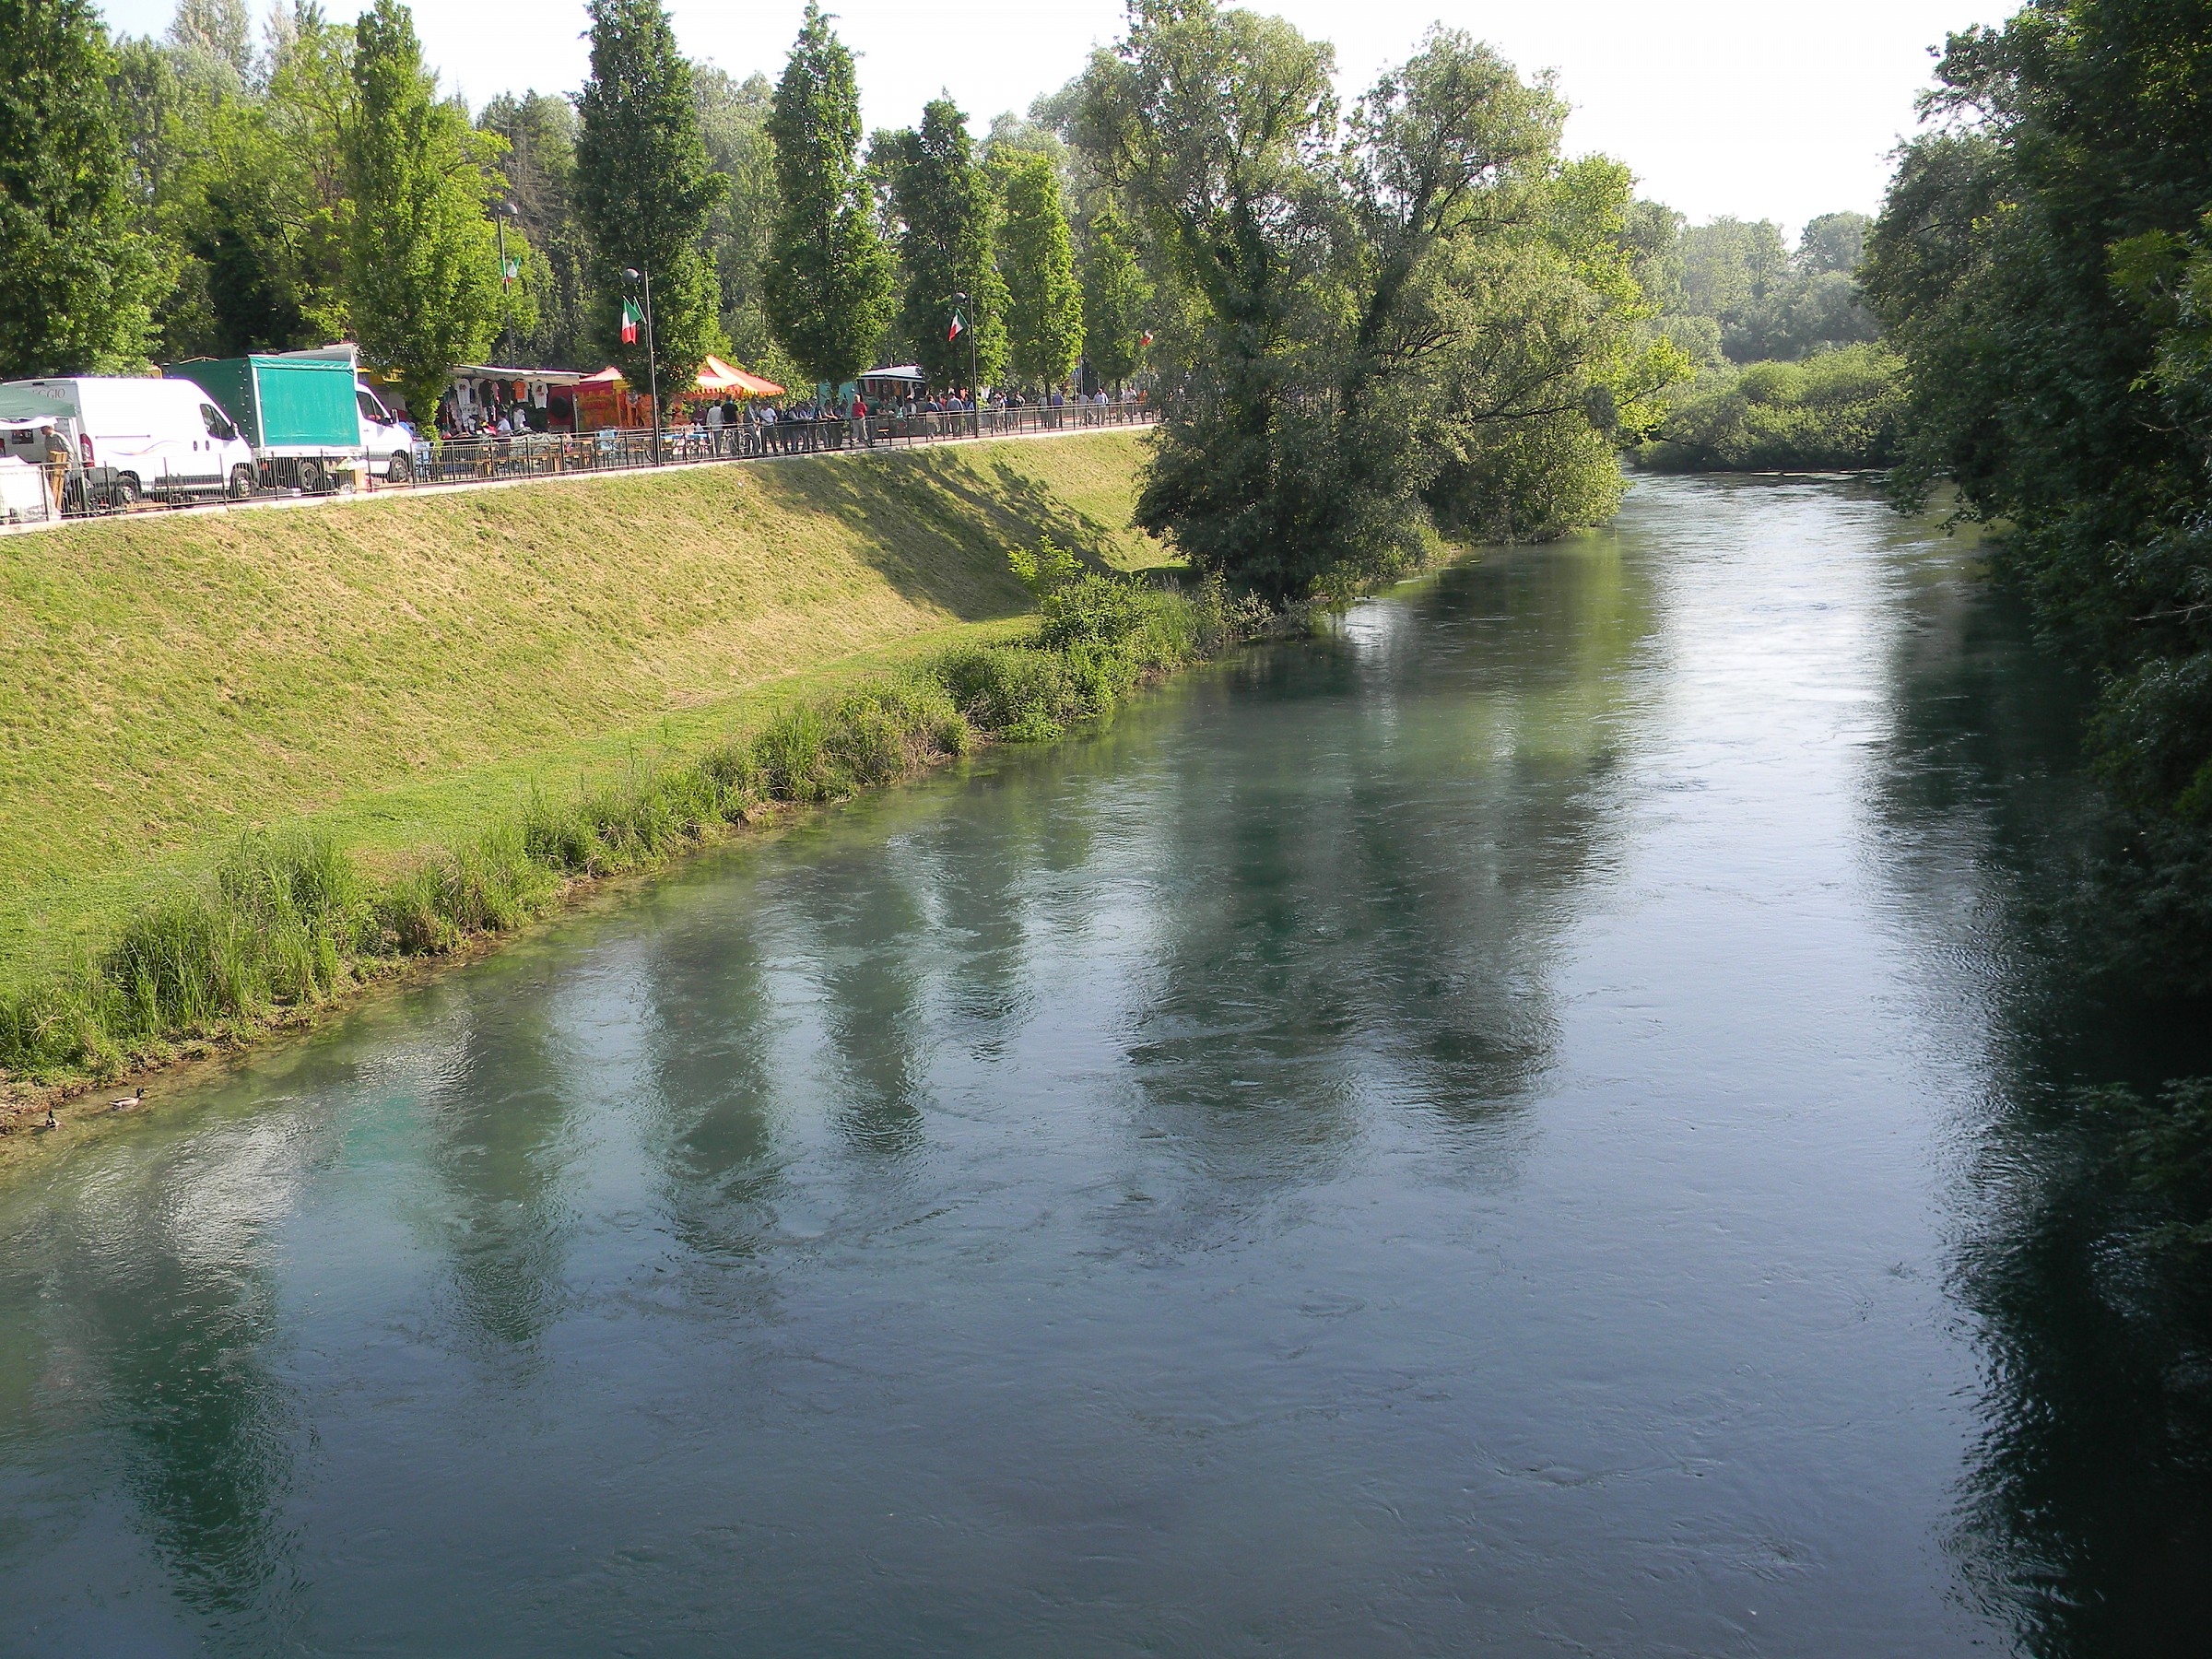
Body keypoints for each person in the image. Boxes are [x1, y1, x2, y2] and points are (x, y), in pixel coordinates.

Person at [38, 424, 67, 516]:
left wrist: (68, 463)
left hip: (62, 466)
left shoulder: (58, 437)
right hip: (53, 467)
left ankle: (66, 509)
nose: (41, 430)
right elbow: (49, 453)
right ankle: (57, 508)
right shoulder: (47, 438)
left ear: (48, 428)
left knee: (64, 488)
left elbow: (68, 450)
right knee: (54, 487)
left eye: (42, 428)